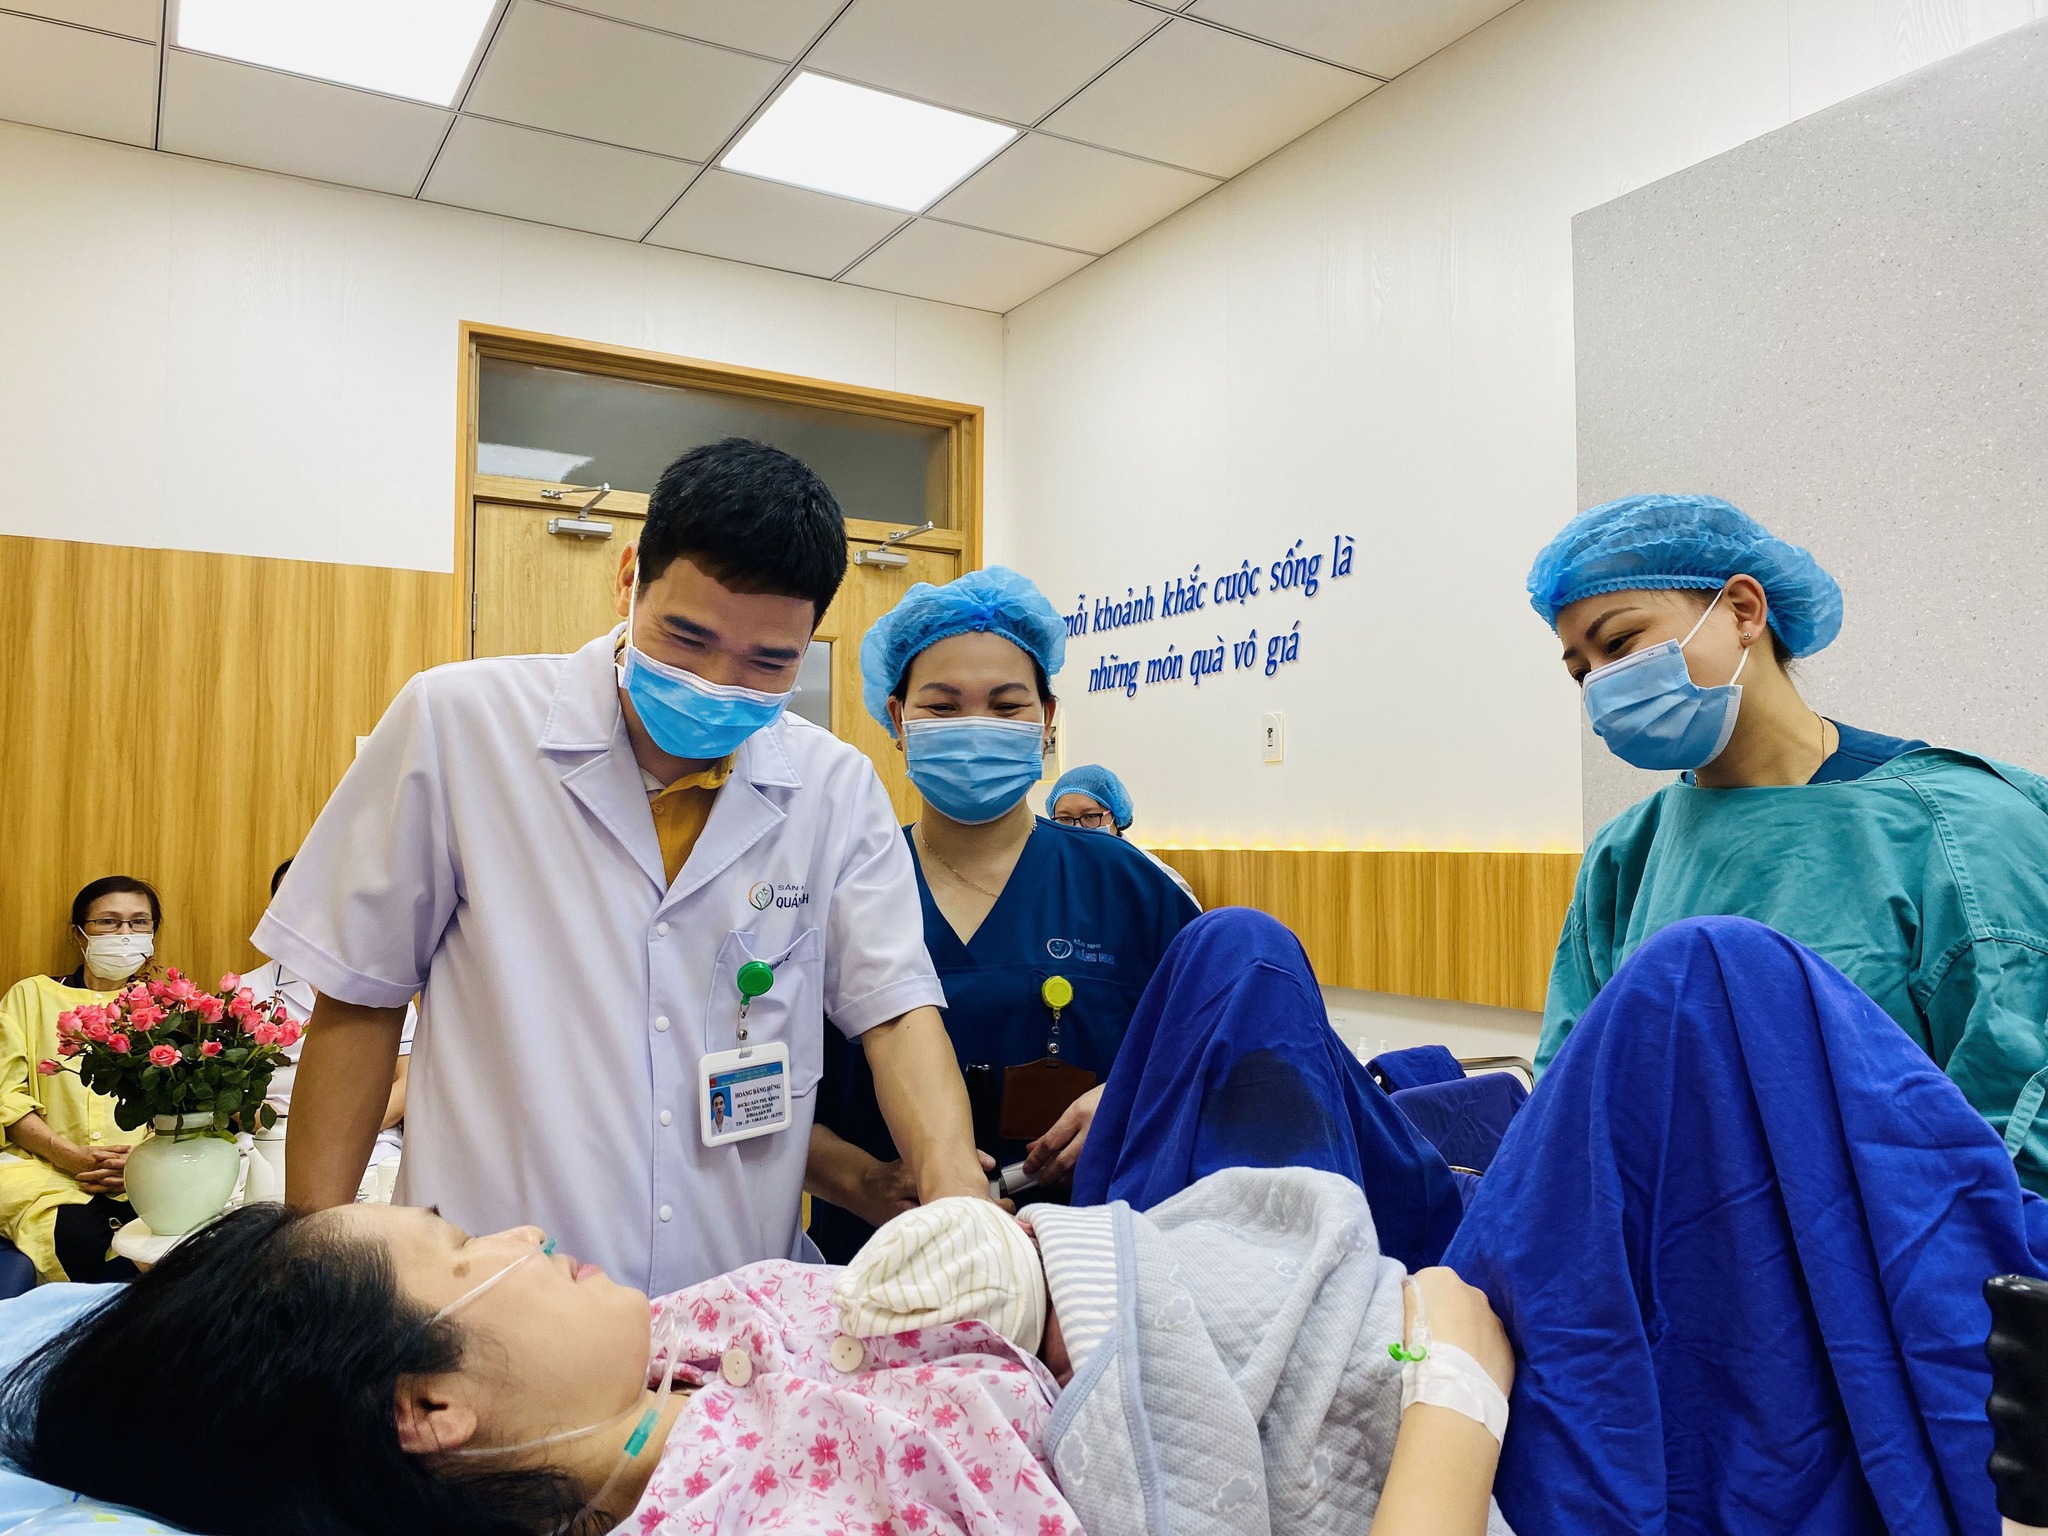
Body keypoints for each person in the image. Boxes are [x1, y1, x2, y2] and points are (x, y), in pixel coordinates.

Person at [6, 912, 2034, 1536]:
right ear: (426, 1412)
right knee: (1706, 1009)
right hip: (1396, 1408)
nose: (521, 1240)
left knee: (1231, 957)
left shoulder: (671, 1357)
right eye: (464, 1266)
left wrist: (1011, 1246)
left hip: (1234, 1286)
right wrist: (1454, 1384)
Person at [259, 438, 986, 1294]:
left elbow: (896, 1013)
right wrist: (311, 1275)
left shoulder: (833, 786)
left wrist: (961, 1210)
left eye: (769, 661)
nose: (717, 681)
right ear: (629, 577)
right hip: (495, 1294)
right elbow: (361, 999)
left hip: (737, 1306)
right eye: (686, 637)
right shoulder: (460, 726)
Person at [1527, 492, 2048, 1189]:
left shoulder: (1962, 824)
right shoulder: (1628, 855)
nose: (1602, 683)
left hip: (1898, 1244)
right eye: (1580, 672)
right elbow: (1570, 1103)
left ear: (1744, 610)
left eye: (1619, 643)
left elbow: (2018, 1136)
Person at [808, 568, 1199, 1262]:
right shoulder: (840, 888)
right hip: (877, 1266)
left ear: (1047, 720)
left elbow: (1217, 1063)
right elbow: (758, 1096)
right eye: (942, 706)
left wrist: (1134, 1099)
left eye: (1006, 705)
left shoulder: (1135, 891)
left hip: (1085, 1272)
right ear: (897, 719)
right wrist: (861, 1182)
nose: (975, 728)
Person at [0, 877, 160, 1283]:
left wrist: (139, 1164)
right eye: (108, 922)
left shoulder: (168, 1008)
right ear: (79, 934)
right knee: (80, 1239)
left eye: (139, 922)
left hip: (147, 1170)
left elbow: (185, 1105)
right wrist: (67, 1155)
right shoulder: (31, 996)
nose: (125, 934)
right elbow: (6, 1095)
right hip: (42, 1169)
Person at [245, 858, 414, 1184]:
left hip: (373, 1142)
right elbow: (235, 1097)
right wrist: (285, 1132)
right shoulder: (246, 991)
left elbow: (406, 1081)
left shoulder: (385, 988)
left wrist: (346, 1133)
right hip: (269, 1141)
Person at [1045, 762, 1199, 905]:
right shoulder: (1048, 873)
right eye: (1064, 819)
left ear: (1116, 816)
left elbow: (1189, 921)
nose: (1078, 828)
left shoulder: (1153, 874)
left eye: (1090, 816)